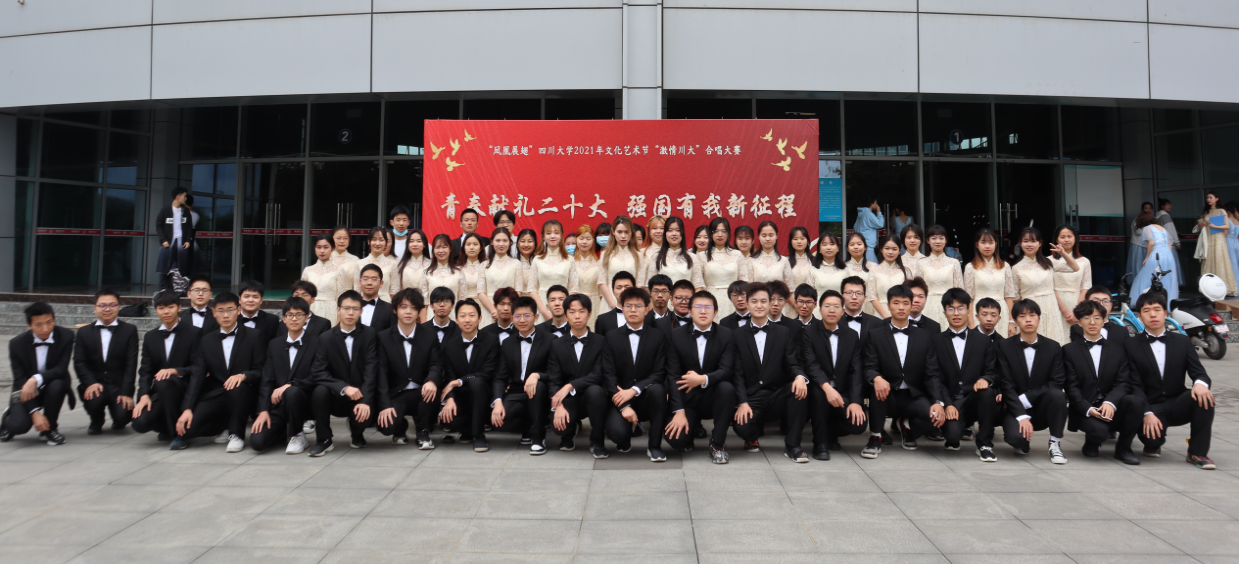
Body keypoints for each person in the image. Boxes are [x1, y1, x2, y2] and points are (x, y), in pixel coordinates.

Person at [1120, 292, 1216, 469]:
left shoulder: (1182, 342)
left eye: (1157, 310)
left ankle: (1197, 452)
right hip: (1150, 404)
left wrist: (1200, 384)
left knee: (1205, 398)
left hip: (1177, 401)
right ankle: (1153, 442)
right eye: (1147, 311)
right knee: (1152, 441)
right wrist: (1146, 413)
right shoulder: (1130, 345)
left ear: (1165, 313)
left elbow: (1200, 373)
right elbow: (1133, 384)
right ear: (1139, 316)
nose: (1153, 314)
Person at [860, 285, 946, 459]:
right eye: (896, 303)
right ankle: (875, 436)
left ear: (911, 305)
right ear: (889, 305)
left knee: (936, 419)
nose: (901, 307)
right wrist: (876, 377)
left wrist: (938, 401)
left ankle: (907, 426)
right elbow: (869, 366)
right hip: (887, 393)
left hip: (914, 396)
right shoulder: (875, 335)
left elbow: (932, 372)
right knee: (877, 388)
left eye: (905, 303)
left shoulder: (924, 336)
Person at [731, 282, 811, 463]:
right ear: (747, 303)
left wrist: (800, 376)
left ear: (769, 303)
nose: (759, 305)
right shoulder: (736, 335)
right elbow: (737, 373)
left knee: (799, 389)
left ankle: (793, 446)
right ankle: (751, 437)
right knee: (742, 427)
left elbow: (792, 362)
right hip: (750, 397)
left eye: (763, 301)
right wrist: (742, 402)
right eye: (754, 301)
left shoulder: (783, 332)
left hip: (775, 395)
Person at [177, 292, 265, 452]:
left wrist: (244, 376)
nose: (225, 315)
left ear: (238, 310)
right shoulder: (206, 340)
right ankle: (224, 424)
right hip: (217, 393)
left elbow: (261, 371)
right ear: (214, 313)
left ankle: (236, 434)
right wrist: (187, 408)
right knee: (189, 429)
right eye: (221, 310)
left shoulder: (254, 336)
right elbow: (197, 375)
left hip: (244, 392)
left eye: (230, 310)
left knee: (236, 389)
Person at [665, 290, 737, 463]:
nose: (703, 311)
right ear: (690, 311)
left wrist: (702, 379)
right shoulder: (676, 335)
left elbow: (726, 369)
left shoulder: (726, 334)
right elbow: (672, 374)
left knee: (727, 388)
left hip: (714, 395)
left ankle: (717, 444)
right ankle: (689, 433)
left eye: (708, 307)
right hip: (687, 397)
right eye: (698, 307)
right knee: (676, 440)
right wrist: (678, 411)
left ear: (716, 311)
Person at [600, 287, 670, 462]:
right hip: (620, 397)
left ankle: (654, 446)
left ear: (647, 309)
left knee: (658, 390)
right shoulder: (611, 337)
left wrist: (635, 389)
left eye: (638, 306)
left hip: (647, 396)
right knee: (617, 433)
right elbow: (608, 374)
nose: (633, 310)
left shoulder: (658, 336)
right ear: (622, 308)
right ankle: (624, 437)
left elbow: (660, 372)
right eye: (628, 306)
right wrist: (624, 405)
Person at [995, 299, 1069, 464]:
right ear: (1015, 321)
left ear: (1039, 318)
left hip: (1042, 407)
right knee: (1016, 439)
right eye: (1022, 316)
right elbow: (1005, 382)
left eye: (1032, 315)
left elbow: (1056, 381)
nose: (1028, 319)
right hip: (1014, 407)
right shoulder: (1004, 346)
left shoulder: (1053, 347)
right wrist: (1021, 414)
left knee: (1058, 395)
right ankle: (1022, 440)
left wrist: (1026, 398)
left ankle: (1055, 443)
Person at [1063, 299, 1136, 463]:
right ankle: (1092, 441)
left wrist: (1110, 402)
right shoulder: (1069, 351)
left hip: (1111, 405)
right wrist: (1088, 409)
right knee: (1100, 432)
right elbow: (1071, 386)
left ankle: (1124, 448)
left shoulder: (1118, 350)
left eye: (1097, 318)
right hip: (1085, 406)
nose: (1092, 322)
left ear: (1104, 321)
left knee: (1135, 402)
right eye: (1086, 318)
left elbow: (1123, 382)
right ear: (1079, 322)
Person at [930, 288, 999, 461]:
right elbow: (934, 376)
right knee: (953, 437)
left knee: (987, 392)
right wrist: (947, 404)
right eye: (951, 309)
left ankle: (985, 444)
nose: (956, 313)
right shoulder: (935, 341)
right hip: (952, 400)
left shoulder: (983, 340)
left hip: (974, 398)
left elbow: (992, 370)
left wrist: (986, 379)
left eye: (960, 308)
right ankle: (957, 430)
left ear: (968, 311)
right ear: (945, 313)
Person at [307, 290, 378, 455]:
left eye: (355, 308)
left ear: (361, 311)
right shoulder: (325, 338)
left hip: (360, 394)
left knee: (365, 417)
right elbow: (318, 372)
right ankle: (324, 439)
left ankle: (357, 433)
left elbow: (371, 368)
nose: (350, 313)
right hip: (336, 396)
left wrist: (366, 400)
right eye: (346, 308)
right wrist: (343, 387)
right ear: (338, 309)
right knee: (319, 391)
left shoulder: (369, 334)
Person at [800, 289, 868, 460]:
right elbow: (811, 365)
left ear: (843, 311)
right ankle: (820, 443)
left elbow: (856, 369)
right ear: (820, 310)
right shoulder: (808, 332)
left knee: (858, 424)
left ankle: (830, 432)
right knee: (820, 395)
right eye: (827, 306)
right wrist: (827, 388)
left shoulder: (851, 335)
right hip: (819, 388)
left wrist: (856, 402)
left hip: (842, 391)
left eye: (836, 306)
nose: (832, 310)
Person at [374, 288, 443, 450]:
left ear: (419, 311)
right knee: (386, 426)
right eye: (403, 307)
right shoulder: (383, 337)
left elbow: (436, 363)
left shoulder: (429, 335)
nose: (408, 311)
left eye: (413, 307)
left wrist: (432, 380)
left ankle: (423, 431)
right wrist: (385, 404)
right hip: (396, 392)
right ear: (395, 310)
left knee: (431, 390)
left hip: (421, 391)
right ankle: (400, 428)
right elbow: (381, 373)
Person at [250, 297, 317, 454]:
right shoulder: (274, 344)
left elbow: (316, 376)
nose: (294, 319)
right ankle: (282, 432)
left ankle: (298, 435)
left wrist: (291, 385)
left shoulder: (316, 343)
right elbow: (267, 379)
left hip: (304, 403)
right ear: (284, 319)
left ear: (307, 317)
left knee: (292, 391)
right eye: (290, 315)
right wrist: (263, 410)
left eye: (299, 314)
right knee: (257, 442)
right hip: (279, 405)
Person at [132, 291, 201, 443]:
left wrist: (175, 371)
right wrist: (144, 395)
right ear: (156, 310)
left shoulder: (194, 333)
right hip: (161, 391)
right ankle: (166, 426)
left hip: (185, 388)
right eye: (161, 308)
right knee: (139, 423)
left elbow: (198, 367)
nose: (166, 312)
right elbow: (145, 371)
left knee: (164, 382)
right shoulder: (150, 337)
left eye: (170, 307)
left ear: (179, 307)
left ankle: (178, 435)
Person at [0, 302, 74, 445]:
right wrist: (34, 413)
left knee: (58, 384)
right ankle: (8, 418)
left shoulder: (66, 336)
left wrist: (35, 379)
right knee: (19, 426)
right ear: (29, 325)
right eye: (38, 325)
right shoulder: (16, 344)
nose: (45, 329)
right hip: (25, 388)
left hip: (52, 383)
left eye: (49, 322)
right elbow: (20, 379)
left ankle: (50, 429)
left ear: (54, 320)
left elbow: (61, 369)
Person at [546, 294, 608, 454]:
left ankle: (597, 441)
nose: (577, 316)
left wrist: (570, 385)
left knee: (596, 391)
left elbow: (598, 374)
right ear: (566, 315)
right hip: (567, 399)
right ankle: (568, 434)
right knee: (559, 427)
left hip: (592, 397)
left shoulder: (601, 341)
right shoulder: (557, 344)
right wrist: (558, 406)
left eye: (582, 311)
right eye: (572, 312)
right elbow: (553, 379)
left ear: (589, 314)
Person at [491, 296, 552, 455]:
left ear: (536, 317)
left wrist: (537, 375)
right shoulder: (508, 343)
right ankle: (527, 428)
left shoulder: (550, 340)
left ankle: (538, 438)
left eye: (527, 315)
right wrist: (498, 401)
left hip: (540, 391)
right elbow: (500, 376)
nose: (522, 320)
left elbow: (555, 373)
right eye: (517, 316)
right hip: (516, 391)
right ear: (512, 319)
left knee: (537, 387)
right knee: (499, 422)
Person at [438, 298, 500, 453]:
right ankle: (466, 430)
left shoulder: (491, 340)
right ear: (456, 320)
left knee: (476, 382)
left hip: (484, 395)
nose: (467, 320)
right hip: (462, 397)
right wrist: (450, 399)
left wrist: (459, 381)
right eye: (463, 316)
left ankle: (478, 434)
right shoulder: (449, 346)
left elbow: (487, 372)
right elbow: (449, 378)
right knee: (448, 420)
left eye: (472, 315)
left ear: (480, 318)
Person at [74, 289, 139, 434]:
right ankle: (96, 420)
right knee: (94, 398)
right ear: (95, 308)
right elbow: (79, 362)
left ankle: (118, 418)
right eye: (102, 305)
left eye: (112, 305)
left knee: (123, 418)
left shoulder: (129, 330)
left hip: (118, 386)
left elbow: (131, 364)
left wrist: (127, 392)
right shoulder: (84, 332)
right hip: (96, 385)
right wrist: (90, 382)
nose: (107, 309)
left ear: (119, 306)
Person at [1009, 227, 1078, 343]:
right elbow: (1014, 297)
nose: (1029, 244)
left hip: (1051, 308)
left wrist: (1063, 253)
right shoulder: (1016, 268)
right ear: (1020, 243)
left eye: (1033, 241)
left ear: (1040, 243)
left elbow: (1075, 267)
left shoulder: (1048, 263)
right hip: (1031, 310)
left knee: (1053, 340)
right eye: (1025, 241)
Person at [964, 228, 1016, 334]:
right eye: (983, 242)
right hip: (979, 313)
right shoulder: (970, 267)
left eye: (991, 242)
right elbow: (968, 299)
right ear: (977, 245)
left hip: (1001, 313)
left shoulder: (1005, 266)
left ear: (996, 244)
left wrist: (1011, 321)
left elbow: (1009, 296)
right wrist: (971, 323)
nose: (987, 246)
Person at [915, 225, 963, 329]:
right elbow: (918, 290)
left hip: (949, 307)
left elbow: (959, 291)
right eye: (934, 238)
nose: (938, 241)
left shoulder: (954, 263)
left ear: (946, 240)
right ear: (928, 241)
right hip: (927, 307)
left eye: (941, 238)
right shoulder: (921, 263)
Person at [528, 220, 576, 321]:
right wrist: (544, 312)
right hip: (542, 307)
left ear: (561, 236)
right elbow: (532, 289)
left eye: (556, 233)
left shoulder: (570, 259)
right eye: (549, 233)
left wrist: (565, 308)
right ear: (544, 237)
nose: (552, 236)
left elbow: (573, 289)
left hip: (564, 308)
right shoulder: (537, 259)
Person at [1130, 211, 1180, 306]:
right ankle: (1167, 303)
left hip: (1156, 254)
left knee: (1147, 276)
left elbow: (1151, 243)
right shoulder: (1162, 228)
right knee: (1167, 278)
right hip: (1168, 255)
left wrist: (1146, 257)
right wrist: (1166, 253)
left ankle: (1144, 301)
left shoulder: (1147, 228)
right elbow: (1170, 244)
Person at [1051, 225, 1093, 336]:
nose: (1066, 240)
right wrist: (1064, 311)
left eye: (1069, 236)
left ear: (1075, 239)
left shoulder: (1084, 261)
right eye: (1062, 237)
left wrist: (1077, 311)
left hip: (1077, 302)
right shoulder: (1049, 261)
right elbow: (1049, 287)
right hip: (1055, 303)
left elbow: (1085, 287)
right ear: (1056, 240)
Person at [302, 233, 351, 325]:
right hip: (310, 310)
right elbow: (301, 296)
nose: (322, 251)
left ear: (332, 248)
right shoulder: (307, 270)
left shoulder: (339, 270)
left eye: (326, 247)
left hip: (331, 311)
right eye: (318, 247)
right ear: (314, 248)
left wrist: (339, 320)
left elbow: (340, 298)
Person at [479, 228, 522, 327]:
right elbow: (481, 293)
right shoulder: (484, 265)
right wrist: (494, 311)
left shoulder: (516, 264)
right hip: (489, 311)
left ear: (510, 243)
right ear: (492, 242)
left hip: (509, 311)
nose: (501, 244)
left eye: (505, 240)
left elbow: (518, 291)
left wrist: (508, 310)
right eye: (498, 240)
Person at [156, 186, 195, 289]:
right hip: (168, 243)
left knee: (182, 266)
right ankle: (163, 289)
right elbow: (159, 226)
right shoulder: (165, 210)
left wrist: (188, 240)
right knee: (165, 266)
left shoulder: (185, 211)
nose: (186, 198)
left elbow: (189, 227)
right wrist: (163, 240)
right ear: (178, 197)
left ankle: (181, 288)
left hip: (181, 243)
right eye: (184, 196)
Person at [1198, 192, 1237, 295]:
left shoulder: (1221, 211)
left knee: (1219, 261)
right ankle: (1208, 288)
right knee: (1208, 261)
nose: (1208, 199)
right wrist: (1202, 225)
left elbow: (1227, 226)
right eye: (1207, 198)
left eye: (1210, 197)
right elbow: (1204, 227)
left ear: (1217, 199)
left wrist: (1214, 226)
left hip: (1218, 239)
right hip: (1208, 239)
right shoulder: (1207, 212)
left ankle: (1223, 288)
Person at [639, 216, 693, 287]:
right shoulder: (643, 253)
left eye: (662, 228)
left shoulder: (690, 257)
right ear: (649, 231)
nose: (658, 231)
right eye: (654, 228)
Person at [420, 234, 466, 317]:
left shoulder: (459, 272)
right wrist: (424, 323)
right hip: (432, 317)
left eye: (444, 247)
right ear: (433, 250)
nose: (441, 251)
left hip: (453, 317)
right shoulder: (426, 273)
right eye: (437, 247)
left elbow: (462, 301)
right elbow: (424, 303)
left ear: (450, 249)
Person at [568, 225, 604, 327]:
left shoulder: (599, 263)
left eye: (588, 239)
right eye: (581, 238)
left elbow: (601, 292)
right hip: (575, 305)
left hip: (595, 305)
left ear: (593, 241)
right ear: (576, 240)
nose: (584, 242)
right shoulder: (570, 262)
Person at [871, 234, 911, 319]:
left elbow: (910, 296)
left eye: (894, 249)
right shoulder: (873, 271)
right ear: (881, 249)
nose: (890, 252)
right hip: (880, 315)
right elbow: (872, 297)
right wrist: (886, 316)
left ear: (899, 251)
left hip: (902, 314)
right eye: (887, 248)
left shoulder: (906, 271)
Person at [352, 227, 397, 300]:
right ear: (368, 241)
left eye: (381, 240)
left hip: (386, 303)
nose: (377, 243)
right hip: (364, 303)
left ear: (386, 242)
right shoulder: (359, 263)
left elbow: (394, 292)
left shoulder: (393, 264)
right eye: (374, 239)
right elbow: (357, 291)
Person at [785, 227, 820, 318]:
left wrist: (807, 305)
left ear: (808, 241)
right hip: (790, 306)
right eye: (795, 239)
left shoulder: (815, 262)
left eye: (802, 238)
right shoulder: (785, 261)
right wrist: (796, 306)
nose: (799, 241)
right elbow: (784, 287)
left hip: (811, 306)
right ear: (791, 242)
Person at [748, 221, 793, 290]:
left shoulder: (784, 261)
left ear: (776, 236)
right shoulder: (751, 261)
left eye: (771, 235)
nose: (767, 239)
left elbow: (790, 289)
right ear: (758, 236)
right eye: (764, 236)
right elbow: (749, 288)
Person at [844, 233, 881, 315]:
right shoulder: (842, 268)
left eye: (859, 244)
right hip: (849, 308)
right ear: (847, 248)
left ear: (865, 247)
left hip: (870, 308)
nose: (856, 247)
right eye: (852, 244)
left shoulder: (875, 267)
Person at [840, 276, 883, 347]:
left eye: (859, 293)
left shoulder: (877, 324)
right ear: (841, 297)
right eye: (849, 292)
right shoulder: (834, 323)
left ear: (864, 298)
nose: (854, 297)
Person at [457, 232, 489, 322]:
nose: (471, 247)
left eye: (475, 244)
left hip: (484, 308)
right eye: (468, 244)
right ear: (463, 248)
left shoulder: (487, 267)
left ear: (481, 248)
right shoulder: (457, 269)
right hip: (463, 308)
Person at [392, 230, 431, 301]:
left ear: (424, 244)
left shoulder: (431, 265)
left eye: (419, 241)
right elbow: (396, 290)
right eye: (411, 241)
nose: (415, 244)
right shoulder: (400, 265)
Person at [238, 280, 280, 345]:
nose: (250, 300)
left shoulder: (272, 320)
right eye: (246, 296)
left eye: (255, 297)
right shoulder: (231, 318)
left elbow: (274, 345)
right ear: (239, 300)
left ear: (261, 300)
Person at [358, 264, 395, 332]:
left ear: (381, 283)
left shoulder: (390, 310)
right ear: (360, 282)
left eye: (374, 279)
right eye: (365, 279)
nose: (369, 283)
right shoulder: (351, 308)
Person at [1155, 198, 1184, 285]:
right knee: (1171, 267)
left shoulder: (1157, 216)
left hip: (1160, 245)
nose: (1169, 206)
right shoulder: (1165, 216)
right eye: (1167, 205)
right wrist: (1177, 242)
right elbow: (1170, 230)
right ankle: (1172, 284)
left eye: (1170, 204)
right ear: (1162, 206)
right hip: (1169, 245)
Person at [812, 232, 848, 302]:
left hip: (839, 306)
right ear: (819, 249)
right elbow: (810, 295)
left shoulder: (845, 270)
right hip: (819, 307)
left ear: (837, 248)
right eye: (824, 244)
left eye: (832, 244)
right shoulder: (813, 270)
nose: (828, 247)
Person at [853, 196, 883, 263]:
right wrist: (879, 212)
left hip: (861, 244)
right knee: (872, 266)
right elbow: (880, 224)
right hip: (868, 246)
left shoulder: (861, 214)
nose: (876, 205)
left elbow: (855, 226)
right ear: (871, 204)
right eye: (876, 203)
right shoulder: (869, 214)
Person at [1128, 202, 1154, 277]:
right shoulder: (1138, 219)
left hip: (1146, 246)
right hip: (1138, 245)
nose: (1148, 210)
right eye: (1146, 208)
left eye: (1150, 208)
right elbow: (1138, 232)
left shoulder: (1150, 220)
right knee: (1138, 266)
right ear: (1142, 209)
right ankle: (1138, 282)